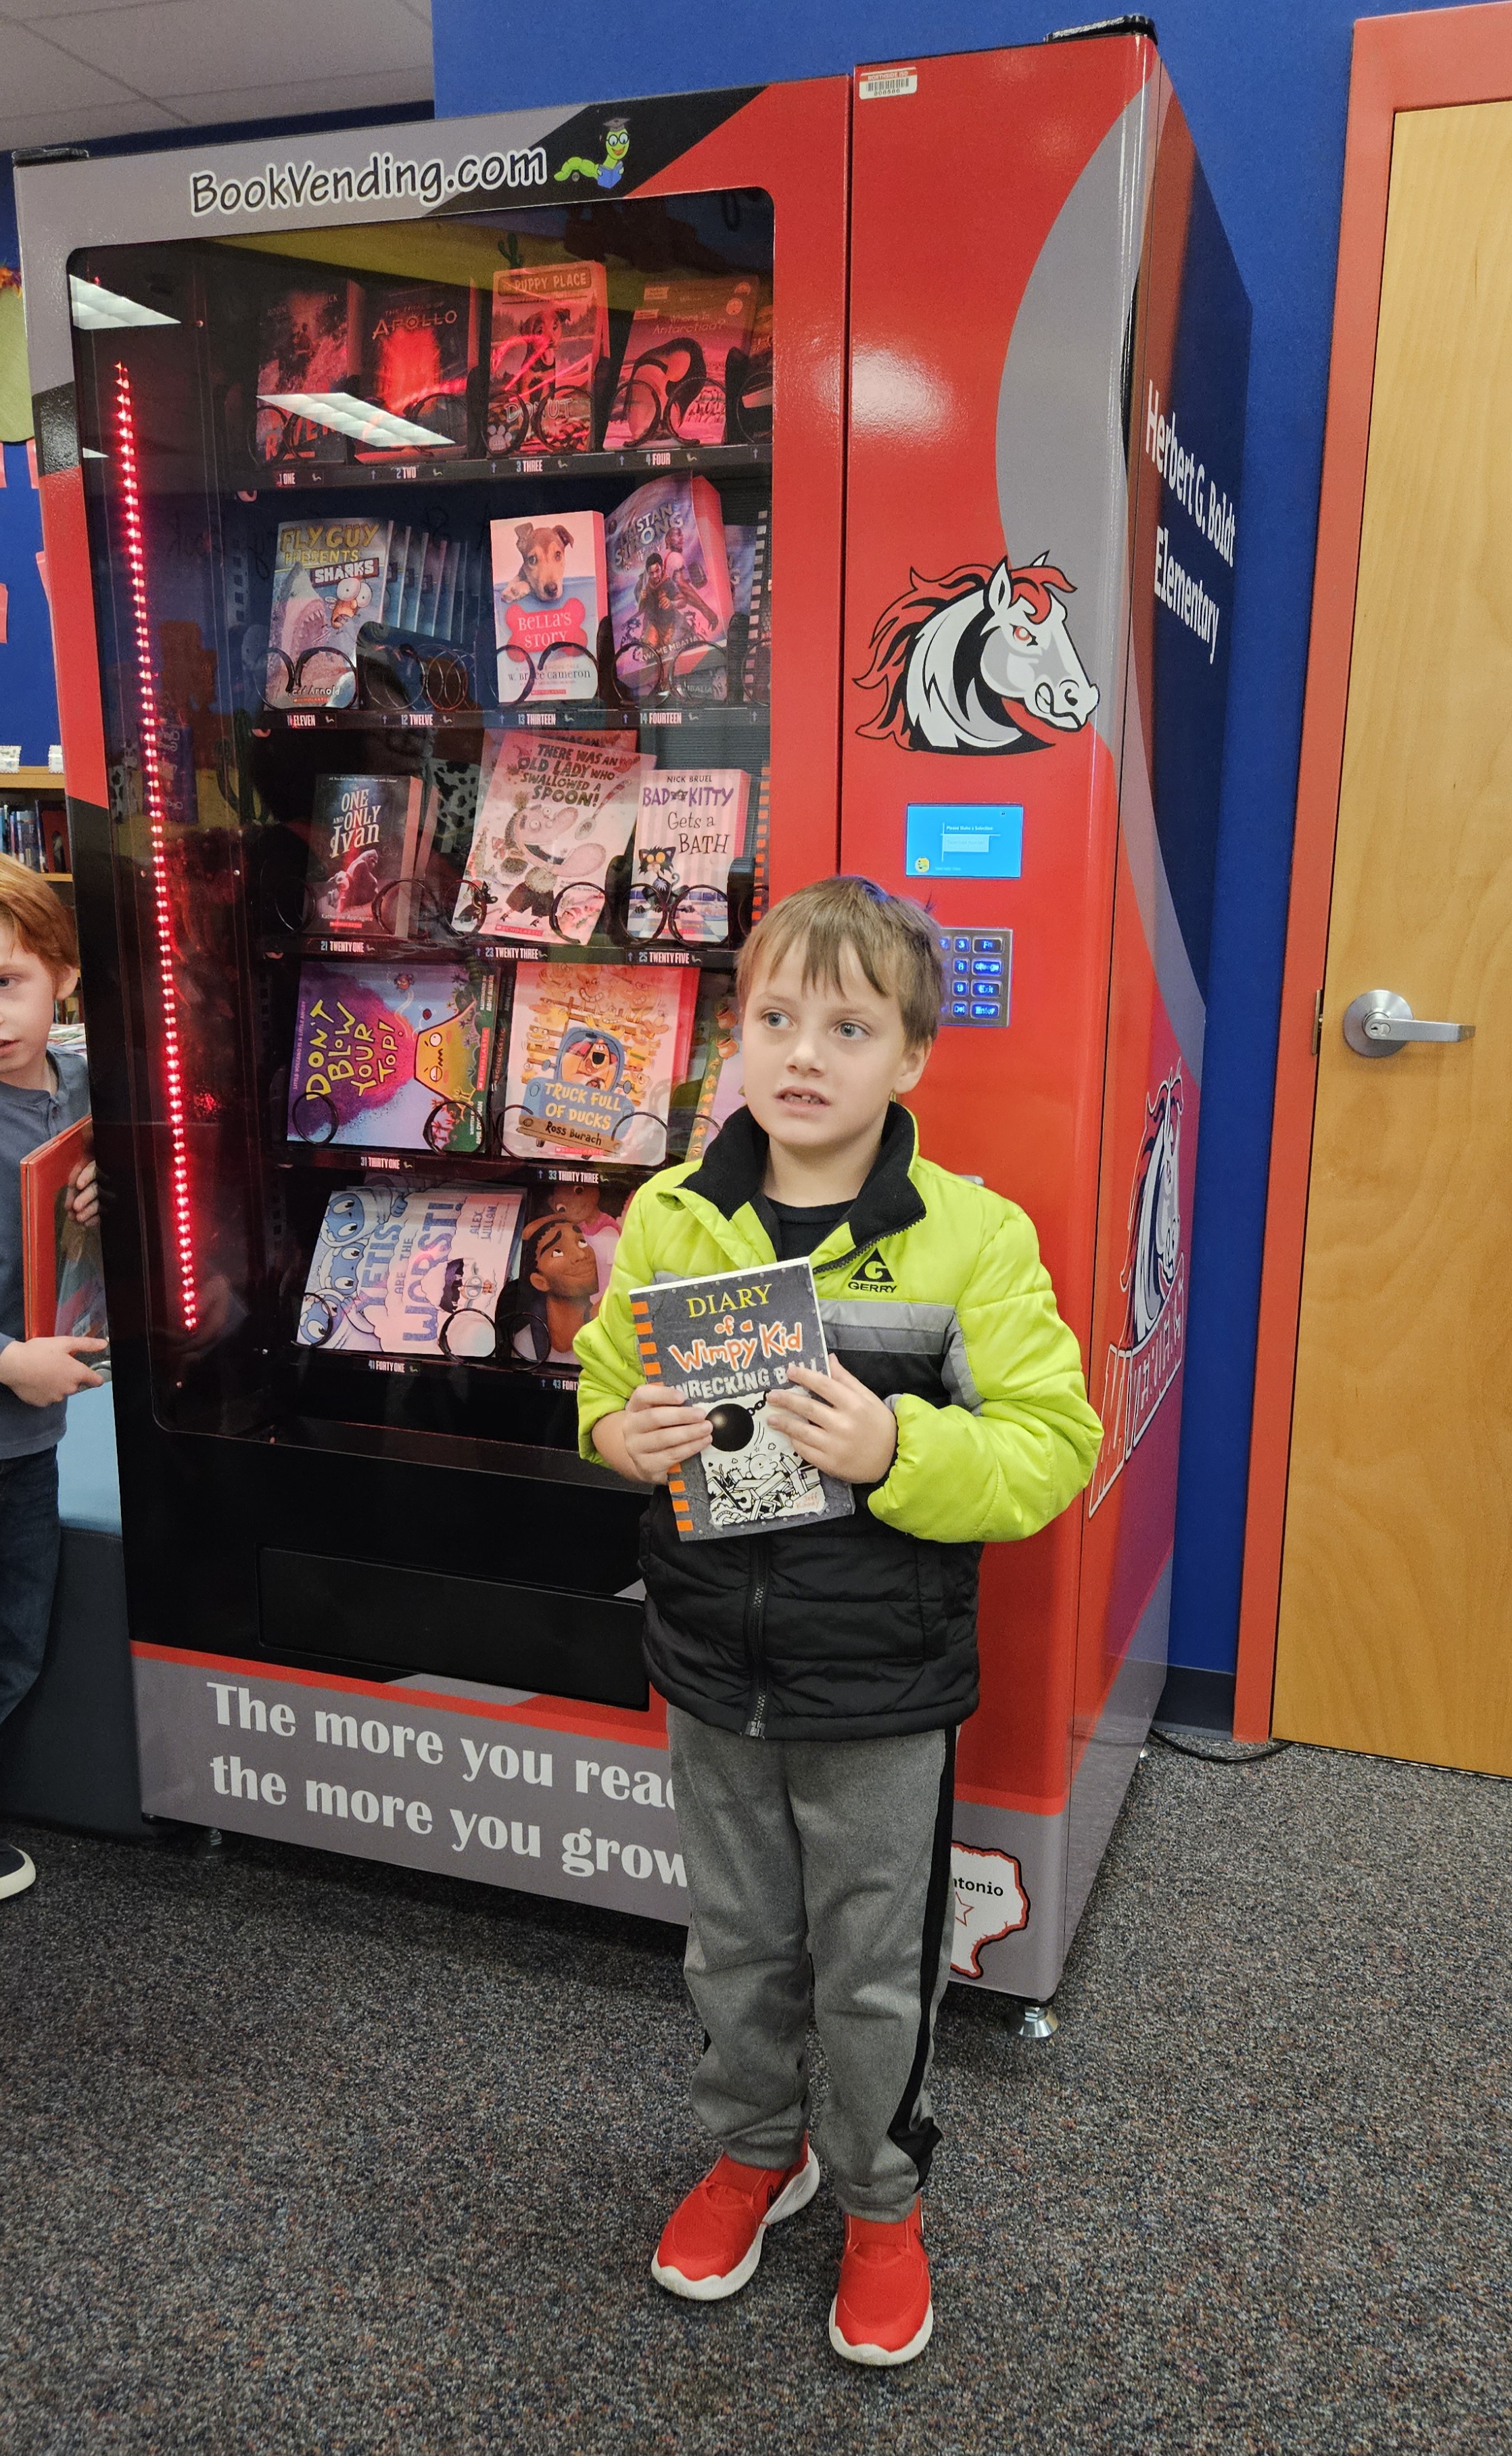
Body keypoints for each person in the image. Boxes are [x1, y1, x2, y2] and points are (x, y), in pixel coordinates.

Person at [575, 876, 1102, 2366]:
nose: (804, 1053)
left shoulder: (968, 1239)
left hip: (879, 1683)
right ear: (732, 1037)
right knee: (734, 1940)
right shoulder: (672, 1218)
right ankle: (756, 2150)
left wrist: (896, 1453)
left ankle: (877, 2199)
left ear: (911, 1057)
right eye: (773, 1017)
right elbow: (602, 1393)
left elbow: (1048, 1449)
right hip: (706, 1659)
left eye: (849, 1025)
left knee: (873, 1957)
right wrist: (621, 1439)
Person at [0, 857, 105, 1903]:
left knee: (16, 1640)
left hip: (28, 1446)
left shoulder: (82, 1088)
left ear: (64, 978)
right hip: (14, 1397)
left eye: (8, 982)